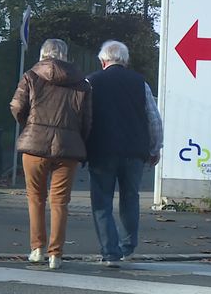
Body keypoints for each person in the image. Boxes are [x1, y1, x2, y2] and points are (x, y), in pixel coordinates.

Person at [10, 38, 92, 270]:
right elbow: (87, 121)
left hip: (34, 146)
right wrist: (78, 140)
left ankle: (37, 249)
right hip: (68, 148)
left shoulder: (30, 76)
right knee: (60, 202)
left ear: (42, 54)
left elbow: (16, 106)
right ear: (65, 55)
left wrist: (30, 125)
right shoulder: (82, 83)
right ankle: (56, 254)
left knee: (35, 198)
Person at [86, 40, 163, 267]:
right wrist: (155, 148)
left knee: (102, 201)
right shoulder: (140, 83)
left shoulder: (91, 81)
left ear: (103, 61)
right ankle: (127, 246)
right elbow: (153, 119)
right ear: (125, 61)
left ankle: (110, 252)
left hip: (101, 150)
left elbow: (84, 118)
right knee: (130, 198)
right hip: (134, 151)